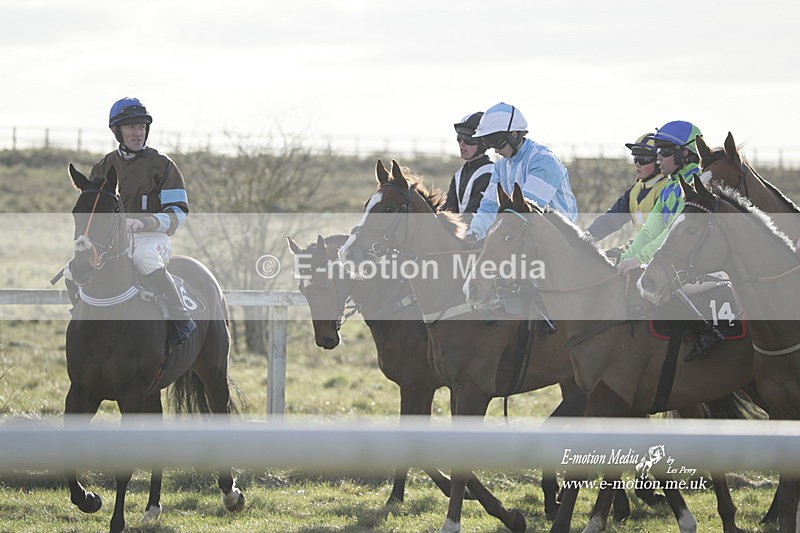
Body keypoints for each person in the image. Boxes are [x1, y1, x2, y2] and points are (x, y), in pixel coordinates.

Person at [90, 97, 195, 345]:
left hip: (152, 240)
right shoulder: (103, 167)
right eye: (131, 127)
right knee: (77, 268)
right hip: (114, 242)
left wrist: (143, 223)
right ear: (117, 131)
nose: (138, 133)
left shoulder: (163, 166)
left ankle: (181, 319)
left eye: (141, 127)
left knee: (142, 258)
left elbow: (178, 213)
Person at [466, 102, 577, 241]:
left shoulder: (544, 161)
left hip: (560, 239)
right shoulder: (500, 167)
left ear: (514, 134)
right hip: (524, 234)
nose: (495, 150)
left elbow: (523, 211)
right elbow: (489, 206)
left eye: (497, 142)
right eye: (489, 144)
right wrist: (474, 232)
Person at [616, 120, 703, 274]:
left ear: (684, 153)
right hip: (674, 261)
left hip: (697, 266)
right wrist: (624, 260)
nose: (659, 158)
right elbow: (649, 231)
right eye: (657, 152)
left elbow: (675, 232)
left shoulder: (697, 182)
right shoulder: (670, 186)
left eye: (664, 151)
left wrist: (640, 259)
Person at [586, 133, 668, 244]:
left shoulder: (667, 190)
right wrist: (584, 238)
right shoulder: (634, 191)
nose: (638, 164)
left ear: (659, 162)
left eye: (644, 159)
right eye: (636, 158)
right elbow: (609, 221)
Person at [441, 112, 494, 221]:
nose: (462, 144)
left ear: (483, 143)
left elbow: (473, 214)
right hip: (462, 234)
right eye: (459, 138)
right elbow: (448, 211)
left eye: (468, 139)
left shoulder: (490, 174)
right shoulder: (458, 175)